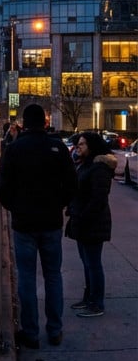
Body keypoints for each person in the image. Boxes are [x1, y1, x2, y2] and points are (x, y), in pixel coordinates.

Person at [0, 103, 78, 348]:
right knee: (54, 276)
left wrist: (15, 207)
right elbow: (72, 185)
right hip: (51, 223)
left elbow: (2, 187)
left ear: (24, 123)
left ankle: (30, 332)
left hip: (24, 225)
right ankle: (55, 330)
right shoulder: (58, 148)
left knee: (27, 278)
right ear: (44, 122)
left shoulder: (15, 149)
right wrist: (58, 205)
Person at [66, 131, 116, 318]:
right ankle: (88, 298)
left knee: (94, 264)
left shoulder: (99, 169)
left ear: (92, 146)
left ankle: (97, 303)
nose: (79, 148)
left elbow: (98, 199)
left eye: (82, 145)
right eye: (78, 145)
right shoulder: (85, 164)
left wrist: (83, 215)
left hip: (93, 223)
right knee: (87, 263)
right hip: (83, 220)